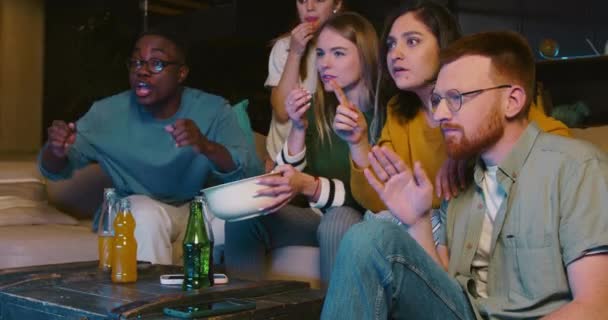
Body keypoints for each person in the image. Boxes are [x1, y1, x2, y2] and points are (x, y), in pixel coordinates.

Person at [322, 31, 608, 319]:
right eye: (437, 100)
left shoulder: (577, 168)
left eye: (456, 97)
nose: (440, 114)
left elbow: (596, 307)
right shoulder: (460, 181)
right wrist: (418, 222)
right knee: (369, 237)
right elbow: (440, 290)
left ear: (512, 100)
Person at [39, 29, 260, 265]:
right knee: (144, 216)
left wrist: (206, 146)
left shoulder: (213, 110)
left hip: (199, 208)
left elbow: (250, 173)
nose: (141, 70)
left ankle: (220, 297)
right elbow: (53, 169)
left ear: (181, 73)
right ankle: (155, 300)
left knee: (241, 216)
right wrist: (55, 149)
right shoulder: (107, 113)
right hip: (141, 207)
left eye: (156, 63)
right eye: (136, 62)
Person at [332, 1, 570, 215]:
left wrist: (470, 154)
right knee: (375, 225)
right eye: (391, 45)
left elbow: (560, 143)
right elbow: (377, 200)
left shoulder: (483, 95)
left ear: (444, 46)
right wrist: (358, 142)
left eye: (412, 41)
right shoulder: (399, 111)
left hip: (480, 223)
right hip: (424, 225)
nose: (396, 54)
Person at [225, 12, 378, 285]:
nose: (325, 63)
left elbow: (371, 198)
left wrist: (311, 185)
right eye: (320, 53)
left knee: (338, 220)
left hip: (362, 222)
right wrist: (297, 126)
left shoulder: (382, 113)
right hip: (317, 215)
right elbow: (289, 181)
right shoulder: (320, 107)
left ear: (365, 57)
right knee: (244, 216)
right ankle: (246, 311)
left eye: (339, 53)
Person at [264, 0, 343, 171]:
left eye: (319, 0)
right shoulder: (284, 47)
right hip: (283, 161)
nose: (309, 7)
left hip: (324, 162)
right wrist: (295, 51)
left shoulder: (348, 48)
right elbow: (282, 112)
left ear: (337, 4)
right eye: (302, 1)